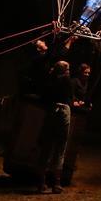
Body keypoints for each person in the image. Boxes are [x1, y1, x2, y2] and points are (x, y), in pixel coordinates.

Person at [36, 60, 73, 194]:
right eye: (68, 69)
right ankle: (56, 183)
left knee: (46, 147)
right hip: (63, 112)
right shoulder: (66, 80)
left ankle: (41, 183)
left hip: (50, 112)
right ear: (64, 71)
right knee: (60, 148)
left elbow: (42, 98)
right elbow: (69, 96)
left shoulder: (48, 81)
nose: (69, 71)